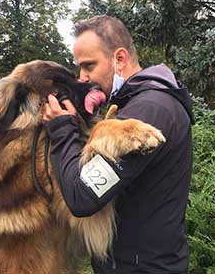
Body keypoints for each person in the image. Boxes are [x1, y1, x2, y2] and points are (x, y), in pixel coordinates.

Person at [43, 15, 194, 273]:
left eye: (89, 66)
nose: (82, 78)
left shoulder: (148, 110)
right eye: (79, 67)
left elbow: (82, 197)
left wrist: (61, 129)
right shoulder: (138, 103)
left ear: (119, 58)